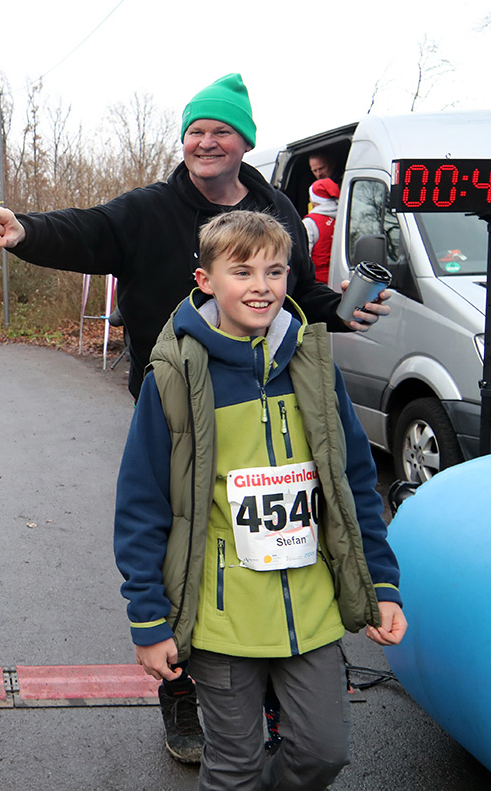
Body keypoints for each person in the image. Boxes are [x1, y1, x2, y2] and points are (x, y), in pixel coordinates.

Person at [0, 74, 391, 762]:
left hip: (270, 392)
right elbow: (87, 233)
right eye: (195, 130)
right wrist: (22, 231)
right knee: (185, 536)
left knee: (273, 529)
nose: (204, 141)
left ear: (244, 142)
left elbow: (298, 293)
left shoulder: (278, 209)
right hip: (177, 404)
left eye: (219, 131)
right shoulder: (148, 210)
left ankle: (282, 683)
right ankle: (180, 685)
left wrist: (337, 307)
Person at [112, 210, 406, 789]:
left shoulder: (313, 366)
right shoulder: (171, 376)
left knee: (324, 752)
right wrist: (148, 619)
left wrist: (382, 584)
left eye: (274, 271)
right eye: (241, 271)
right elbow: (142, 504)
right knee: (235, 764)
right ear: (206, 281)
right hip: (223, 615)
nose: (260, 285)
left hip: (311, 607)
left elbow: (353, 484)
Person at [303, 178, 339, 284]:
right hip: (339, 280)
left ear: (315, 199)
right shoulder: (343, 218)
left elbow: (304, 256)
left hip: (317, 284)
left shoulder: (310, 222)